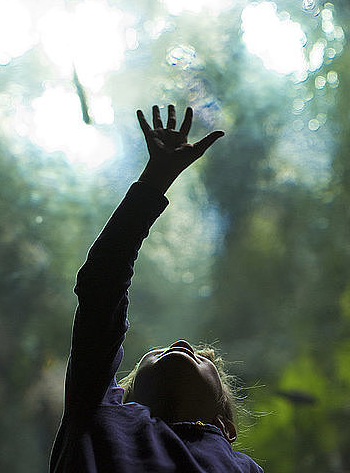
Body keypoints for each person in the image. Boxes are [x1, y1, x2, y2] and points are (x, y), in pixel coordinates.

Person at [50, 105, 263, 472]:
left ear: (226, 427)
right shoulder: (97, 411)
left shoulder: (245, 467)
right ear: (125, 397)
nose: (182, 345)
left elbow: (102, 285)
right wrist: (154, 180)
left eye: (200, 359)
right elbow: (100, 287)